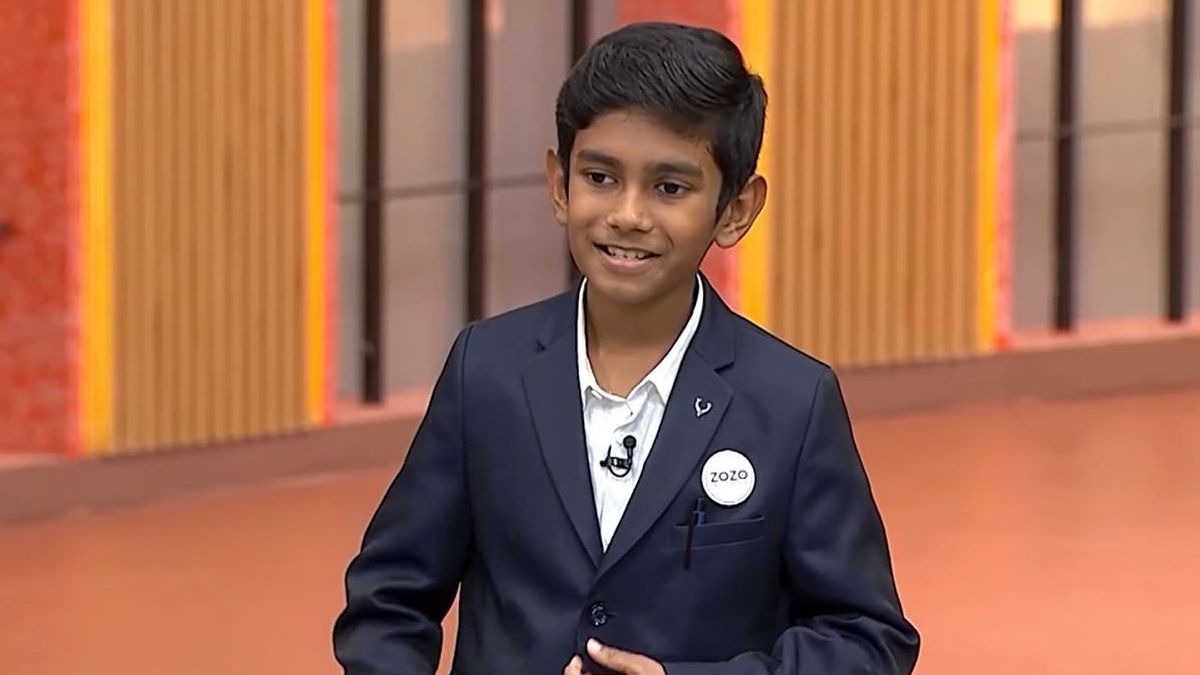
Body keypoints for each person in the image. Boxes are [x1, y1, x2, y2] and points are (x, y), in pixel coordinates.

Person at [333, 21, 919, 675]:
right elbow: (388, 601)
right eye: (600, 176)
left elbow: (866, 638)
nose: (628, 215)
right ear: (560, 184)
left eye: (670, 188)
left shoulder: (792, 402)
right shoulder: (486, 370)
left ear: (735, 209)